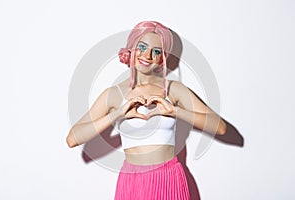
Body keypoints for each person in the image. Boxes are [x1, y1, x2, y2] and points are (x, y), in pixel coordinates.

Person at [66, 21, 227, 200]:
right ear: (131, 48)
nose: (148, 55)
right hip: (132, 181)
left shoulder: (174, 90)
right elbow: (73, 138)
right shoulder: (113, 95)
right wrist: (117, 114)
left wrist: (175, 111)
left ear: (162, 58)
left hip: (168, 178)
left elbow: (220, 127)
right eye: (142, 47)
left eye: (156, 51)